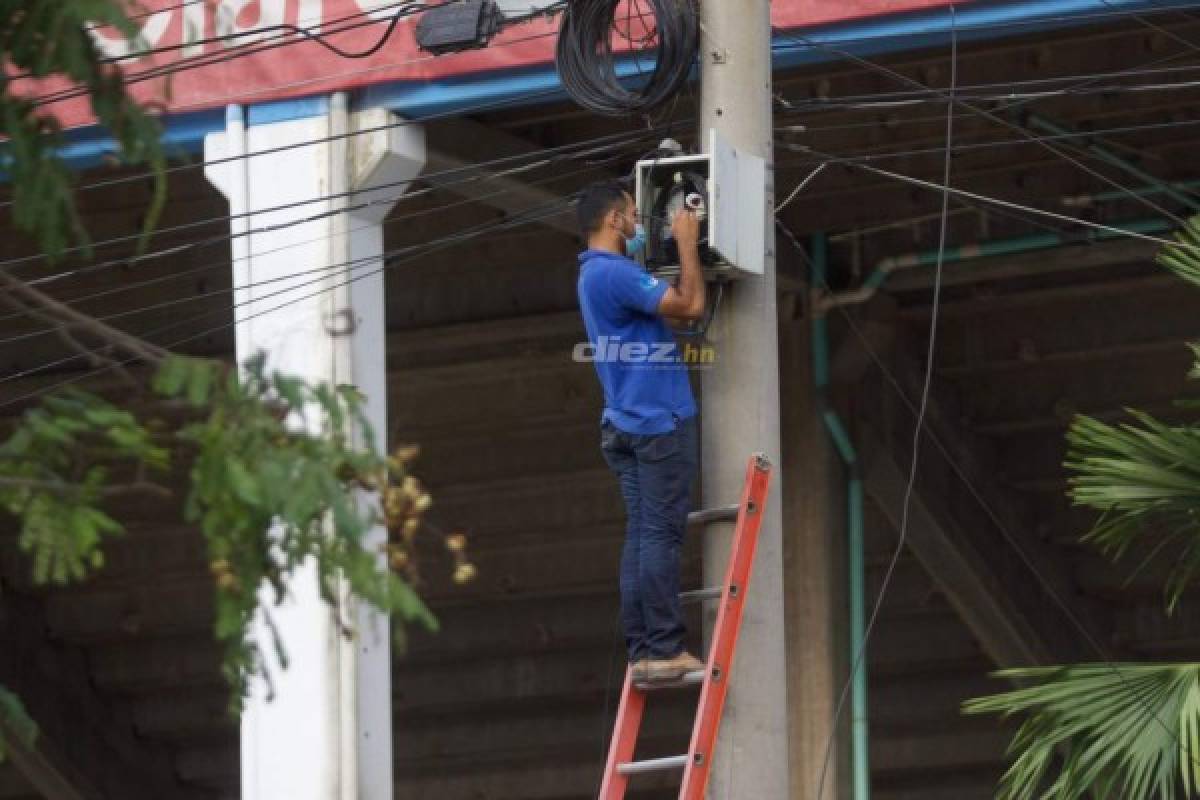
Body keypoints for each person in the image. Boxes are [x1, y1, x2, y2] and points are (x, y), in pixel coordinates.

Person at [574, 179, 707, 684]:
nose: (637, 223)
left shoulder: (592, 275)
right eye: (632, 214)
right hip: (658, 423)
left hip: (624, 423)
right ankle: (665, 647)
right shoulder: (616, 272)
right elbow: (691, 306)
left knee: (640, 535)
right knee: (659, 534)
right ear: (613, 220)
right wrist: (689, 245)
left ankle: (643, 650)